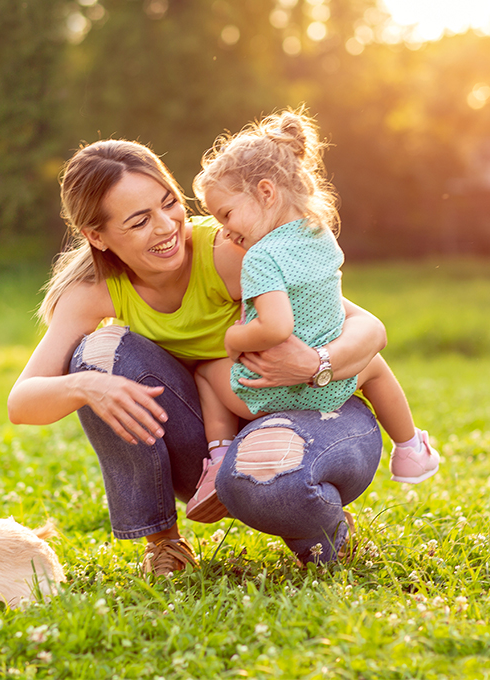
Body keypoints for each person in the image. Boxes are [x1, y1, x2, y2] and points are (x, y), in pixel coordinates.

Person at [7, 138, 388, 575]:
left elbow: (370, 328)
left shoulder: (234, 252)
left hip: (320, 414)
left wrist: (316, 362)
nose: (167, 226)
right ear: (98, 236)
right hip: (217, 445)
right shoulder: (91, 293)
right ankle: (164, 546)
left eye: (169, 203)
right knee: (98, 357)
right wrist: (86, 386)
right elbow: (21, 403)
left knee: (266, 469)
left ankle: (324, 533)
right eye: (139, 221)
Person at [185, 109, 440, 523]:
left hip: (269, 394)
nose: (225, 232)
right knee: (374, 367)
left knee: (205, 375)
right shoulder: (319, 233)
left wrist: (235, 340)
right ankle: (410, 448)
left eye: (227, 215)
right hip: (334, 383)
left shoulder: (262, 257)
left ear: (266, 192)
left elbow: (276, 328)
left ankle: (219, 458)